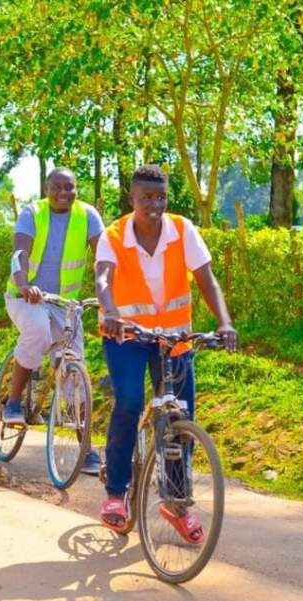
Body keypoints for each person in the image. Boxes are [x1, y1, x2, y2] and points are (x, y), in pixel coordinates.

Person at [95, 164, 237, 538]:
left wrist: (224, 322)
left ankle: (176, 502)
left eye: (161, 197)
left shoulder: (182, 229)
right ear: (132, 199)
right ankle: (116, 493)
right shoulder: (114, 235)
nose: (155, 205)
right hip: (126, 334)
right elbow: (103, 276)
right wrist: (110, 311)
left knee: (179, 417)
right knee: (127, 402)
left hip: (174, 338)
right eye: (146, 198)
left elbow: (206, 277)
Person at [4, 167, 104, 475]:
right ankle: (13, 402)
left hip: (65, 304)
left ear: (77, 189)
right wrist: (23, 283)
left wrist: (108, 295)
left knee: (76, 367)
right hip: (27, 297)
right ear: (47, 189)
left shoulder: (88, 216)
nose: (63, 192)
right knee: (37, 331)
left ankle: (85, 449)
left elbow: (104, 261)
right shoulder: (33, 214)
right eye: (57, 187)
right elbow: (19, 254)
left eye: (69, 187)